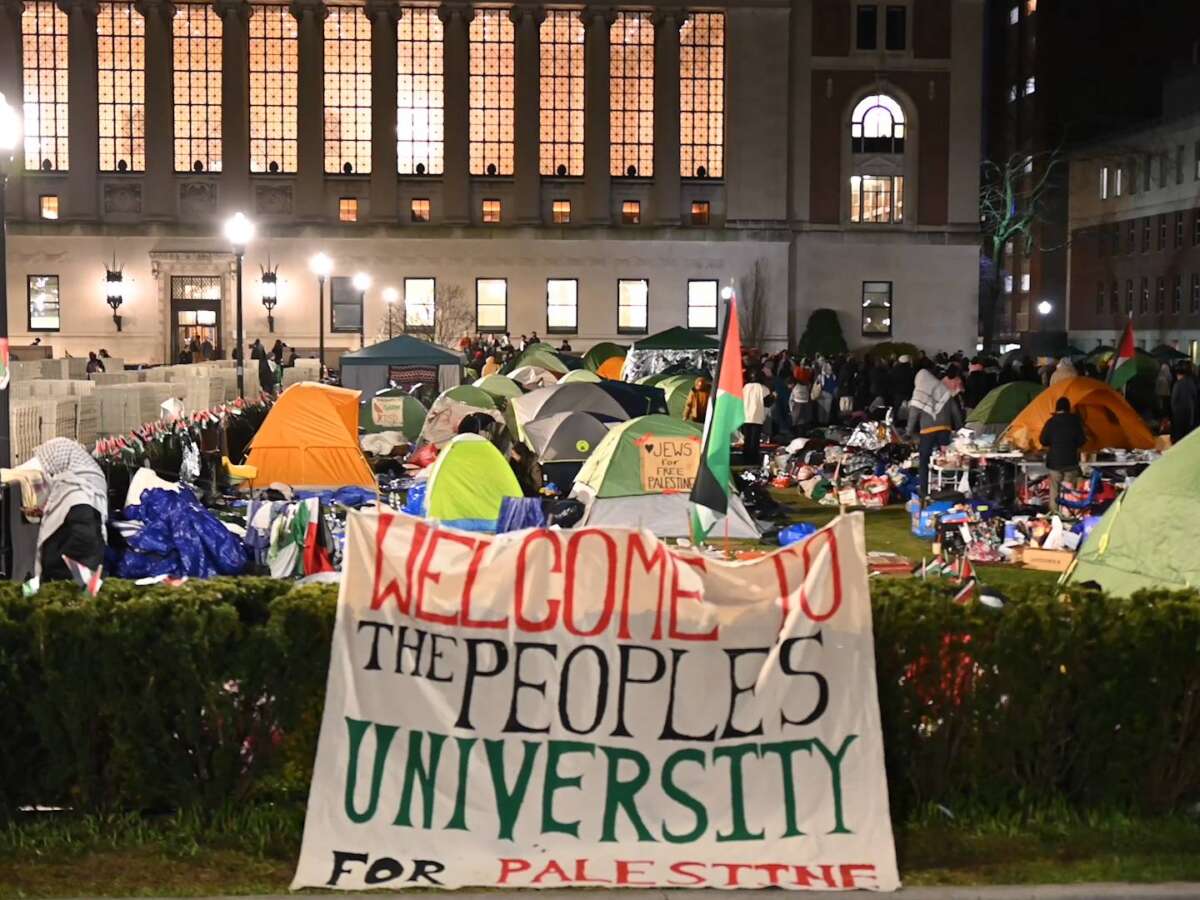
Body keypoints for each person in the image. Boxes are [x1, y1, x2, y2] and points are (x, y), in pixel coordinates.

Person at [33, 438, 108, 582]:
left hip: (73, 580)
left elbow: (84, 539)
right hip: (77, 577)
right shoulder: (84, 487)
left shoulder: (78, 496)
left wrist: (55, 565)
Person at [907, 364, 963, 501]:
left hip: (927, 431)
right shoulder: (942, 388)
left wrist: (908, 431)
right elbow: (955, 410)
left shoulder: (919, 392)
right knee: (948, 459)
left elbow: (913, 414)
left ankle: (924, 490)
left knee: (924, 460)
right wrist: (960, 427)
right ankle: (951, 488)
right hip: (945, 428)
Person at [1038, 397, 1087, 513]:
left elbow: (1043, 440)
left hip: (1054, 462)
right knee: (1068, 490)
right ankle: (1068, 514)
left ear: (1057, 409)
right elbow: (1082, 441)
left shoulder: (1051, 422)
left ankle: (1054, 515)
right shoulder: (1075, 422)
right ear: (1068, 409)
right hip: (1071, 462)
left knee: (1054, 489)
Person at [742, 373, 769, 463]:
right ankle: (753, 458)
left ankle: (745, 456)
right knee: (755, 439)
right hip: (758, 416)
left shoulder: (745, 387)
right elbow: (768, 402)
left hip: (746, 416)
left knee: (747, 438)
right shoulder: (763, 388)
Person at [1170, 363, 1199, 445]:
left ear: (1178, 374)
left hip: (1179, 414)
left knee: (1179, 435)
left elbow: (1173, 401)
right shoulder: (1192, 382)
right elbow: (1195, 397)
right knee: (1188, 435)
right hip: (1191, 413)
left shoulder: (1177, 384)